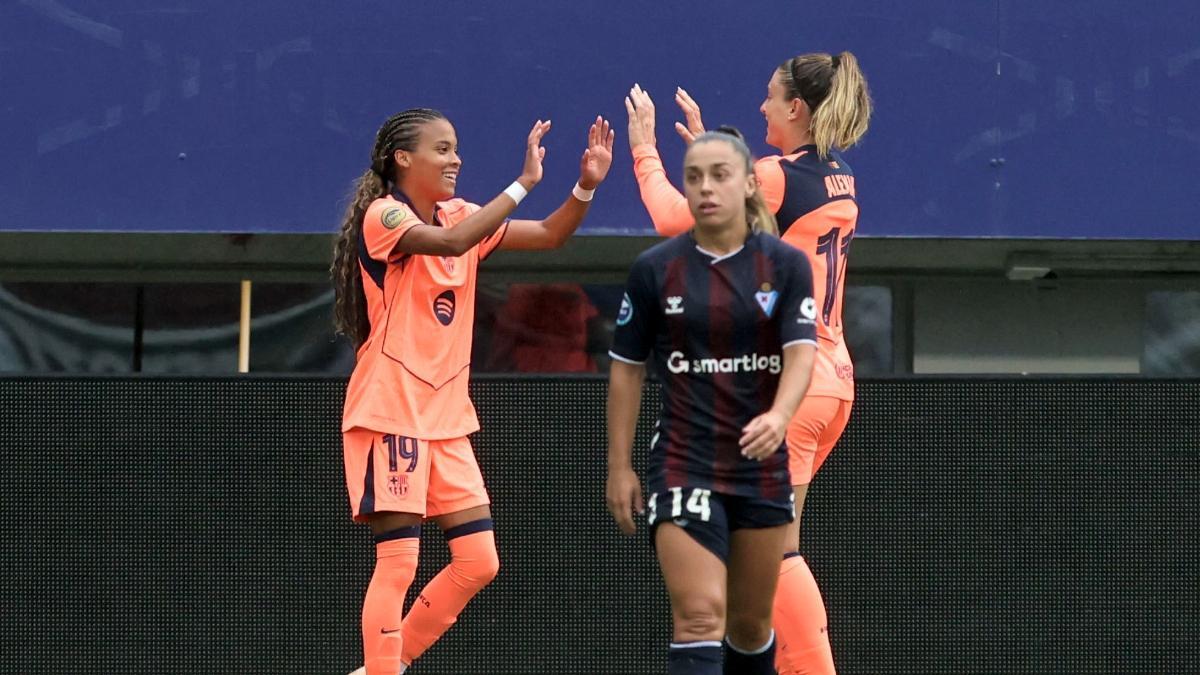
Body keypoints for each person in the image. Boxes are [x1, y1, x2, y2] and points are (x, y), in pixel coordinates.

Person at [332, 108, 614, 674]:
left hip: (447, 418)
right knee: (398, 563)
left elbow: (553, 234)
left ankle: (385, 665)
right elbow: (454, 240)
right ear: (402, 158)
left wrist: (585, 183)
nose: (455, 158)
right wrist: (525, 182)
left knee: (480, 561)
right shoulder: (384, 215)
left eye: (456, 147)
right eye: (442, 148)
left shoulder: (463, 213)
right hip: (392, 409)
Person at [625, 51, 872, 674]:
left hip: (788, 383)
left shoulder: (778, 175)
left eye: (770, 96)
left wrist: (645, 149)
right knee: (763, 552)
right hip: (831, 378)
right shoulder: (838, 173)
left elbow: (671, 219)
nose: (761, 106)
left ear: (796, 107)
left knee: (769, 553)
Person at [606, 128, 818, 675]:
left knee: (749, 628)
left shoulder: (786, 266)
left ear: (750, 184)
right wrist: (619, 466)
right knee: (700, 616)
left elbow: (801, 354)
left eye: (719, 175)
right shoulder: (654, 269)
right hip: (683, 460)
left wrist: (779, 415)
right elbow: (627, 369)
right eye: (694, 177)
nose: (705, 188)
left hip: (759, 465)